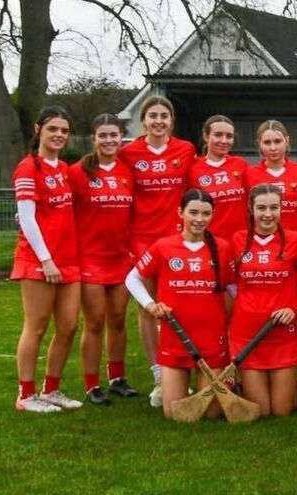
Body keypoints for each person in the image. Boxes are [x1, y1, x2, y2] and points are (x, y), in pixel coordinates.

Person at [118, 96, 197, 407]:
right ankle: (158, 375)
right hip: (142, 240)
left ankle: (181, 369)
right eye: (153, 115)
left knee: (181, 303)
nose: (159, 121)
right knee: (149, 308)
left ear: (171, 120)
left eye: (164, 115)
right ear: (143, 119)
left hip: (178, 240)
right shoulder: (128, 153)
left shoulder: (185, 150)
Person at [125, 189, 230, 420]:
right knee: (175, 414)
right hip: (176, 339)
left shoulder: (222, 248)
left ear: (213, 215)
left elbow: (236, 289)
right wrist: (151, 305)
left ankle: (229, 381)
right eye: (193, 212)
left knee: (211, 413)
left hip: (211, 339)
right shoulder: (164, 246)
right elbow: (132, 278)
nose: (199, 219)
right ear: (180, 212)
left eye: (205, 213)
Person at [11, 106, 83, 412]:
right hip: (39, 261)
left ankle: (51, 389)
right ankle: (26, 396)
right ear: (38, 129)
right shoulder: (28, 169)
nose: (59, 135)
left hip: (69, 260)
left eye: (64, 131)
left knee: (68, 327)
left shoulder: (64, 169)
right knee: (36, 326)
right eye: (53, 129)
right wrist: (46, 259)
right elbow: (27, 219)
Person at [68, 113, 137, 405]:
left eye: (114, 135)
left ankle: (117, 378)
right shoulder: (78, 171)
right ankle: (91, 384)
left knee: (118, 319)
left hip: (120, 258)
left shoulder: (127, 171)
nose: (109, 140)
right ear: (94, 138)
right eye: (103, 135)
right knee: (95, 321)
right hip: (90, 259)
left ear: (121, 137)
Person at [227, 184, 297, 417]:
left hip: (282, 332)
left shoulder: (295, 240)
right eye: (261, 208)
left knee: (283, 411)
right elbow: (230, 281)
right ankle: (243, 383)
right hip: (248, 333)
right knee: (261, 412)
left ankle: (290, 385)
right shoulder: (238, 240)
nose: (268, 214)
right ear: (251, 209)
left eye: (274, 207)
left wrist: (292, 308)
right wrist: (246, 303)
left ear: (282, 209)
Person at [189, 115, 249, 239]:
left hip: (240, 241)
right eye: (218, 135)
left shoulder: (240, 164)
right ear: (206, 136)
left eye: (229, 136)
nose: (224, 141)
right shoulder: (192, 168)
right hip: (209, 242)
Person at [245, 120, 297, 237]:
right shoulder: (249, 173)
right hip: (262, 242)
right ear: (259, 143)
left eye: (277, 141)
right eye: (267, 142)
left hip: (295, 239)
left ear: (287, 141)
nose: (273, 147)